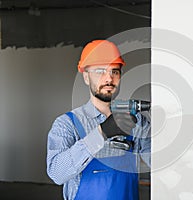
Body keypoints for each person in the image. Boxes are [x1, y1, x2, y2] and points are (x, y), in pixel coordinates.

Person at [46, 40, 151, 200]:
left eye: (114, 71)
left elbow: (160, 162)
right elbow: (57, 173)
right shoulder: (66, 124)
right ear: (86, 77)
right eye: (100, 71)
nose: (109, 78)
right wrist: (101, 133)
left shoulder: (135, 121)